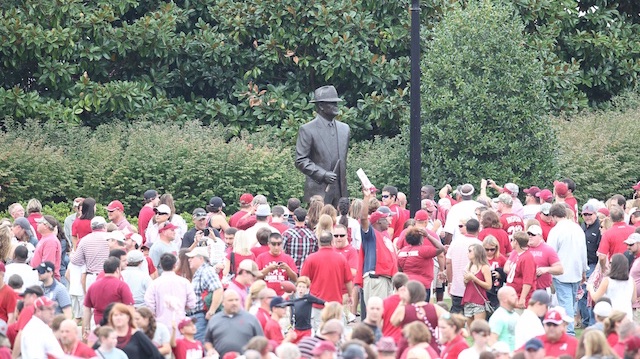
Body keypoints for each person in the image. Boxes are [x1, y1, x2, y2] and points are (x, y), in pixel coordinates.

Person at [295, 85, 350, 207]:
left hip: (341, 192)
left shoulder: (344, 129)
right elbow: (300, 160)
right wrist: (323, 174)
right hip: (318, 191)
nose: (336, 106)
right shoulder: (307, 129)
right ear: (320, 106)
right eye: (332, 103)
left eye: (336, 103)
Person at [546, 203, 587, 335]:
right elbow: (583, 251)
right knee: (571, 301)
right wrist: (584, 270)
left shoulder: (556, 231)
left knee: (565, 303)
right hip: (576, 270)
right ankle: (569, 328)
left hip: (561, 272)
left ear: (553, 216)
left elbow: (550, 253)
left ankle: (569, 331)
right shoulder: (577, 228)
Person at [300, 230, 353, 331]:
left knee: (320, 331)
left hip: (317, 304)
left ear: (319, 242)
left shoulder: (311, 259)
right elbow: (348, 280)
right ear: (332, 242)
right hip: (335, 303)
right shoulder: (341, 258)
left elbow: (303, 280)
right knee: (337, 332)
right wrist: (351, 295)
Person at [391, 280, 448, 356]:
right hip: (430, 347)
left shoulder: (404, 309)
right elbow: (449, 317)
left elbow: (393, 321)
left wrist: (402, 302)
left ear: (411, 293)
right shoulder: (435, 308)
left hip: (407, 346)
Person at [82, 257, 134, 340]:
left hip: (99, 322)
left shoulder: (93, 286)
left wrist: (87, 328)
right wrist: (132, 325)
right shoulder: (121, 285)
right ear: (117, 269)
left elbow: (87, 308)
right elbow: (130, 307)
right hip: (118, 322)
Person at [204, 290, 264, 357]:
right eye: (230, 300)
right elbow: (207, 340)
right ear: (223, 302)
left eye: (236, 300)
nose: (234, 303)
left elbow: (261, 340)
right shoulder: (214, 320)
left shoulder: (251, 319)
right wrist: (210, 349)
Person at [397, 226, 445, 302]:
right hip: (423, 285)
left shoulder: (401, 252)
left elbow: (399, 269)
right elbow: (441, 248)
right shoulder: (423, 250)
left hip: (407, 284)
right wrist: (428, 236)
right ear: (421, 239)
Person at [186, 246, 223, 343]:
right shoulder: (201, 271)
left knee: (202, 345)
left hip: (201, 316)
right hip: (198, 316)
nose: (189, 260)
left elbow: (218, 289)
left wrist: (211, 311)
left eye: (192, 257)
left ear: (201, 258)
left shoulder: (207, 271)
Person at [447, 219, 483, 313]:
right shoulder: (480, 244)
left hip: (457, 286)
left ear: (466, 228)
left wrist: (450, 281)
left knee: (456, 314)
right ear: (478, 229)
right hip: (474, 287)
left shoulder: (455, 242)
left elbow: (448, 262)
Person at [587, 253, 636, 319]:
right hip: (627, 315)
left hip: (611, 316)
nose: (609, 265)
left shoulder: (607, 280)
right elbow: (633, 300)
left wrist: (590, 288)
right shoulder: (631, 280)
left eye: (610, 263)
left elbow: (596, 298)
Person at [504, 231, 537, 309]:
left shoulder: (527, 258)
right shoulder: (515, 253)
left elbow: (528, 281)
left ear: (516, 242)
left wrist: (522, 298)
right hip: (512, 294)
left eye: (512, 240)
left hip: (519, 296)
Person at [462, 243, 493, 324]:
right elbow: (467, 285)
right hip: (468, 299)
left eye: (470, 251)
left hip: (479, 300)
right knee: (469, 328)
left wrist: (474, 278)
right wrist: (466, 281)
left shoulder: (484, 267)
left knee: (478, 327)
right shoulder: (469, 266)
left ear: (477, 253)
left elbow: (489, 285)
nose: (468, 253)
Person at [526, 225, 563, 292]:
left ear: (540, 237)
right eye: (528, 234)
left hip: (542, 289)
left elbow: (560, 269)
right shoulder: (523, 248)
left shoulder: (548, 249)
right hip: (526, 288)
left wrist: (546, 269)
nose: (530, 236)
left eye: (533, 234)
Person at [488, 286, 520, 352]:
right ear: (504, 299)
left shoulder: (516, 315)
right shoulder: (498, 317)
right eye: (513, 295)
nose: (516, 297)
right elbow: (492, 341)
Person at [32, 215, 62, 281]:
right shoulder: (46, 239)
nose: (37, 224)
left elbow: (48, 263)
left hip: (46, 280)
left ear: (46, 226)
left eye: (40, 223)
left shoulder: (50, 241)